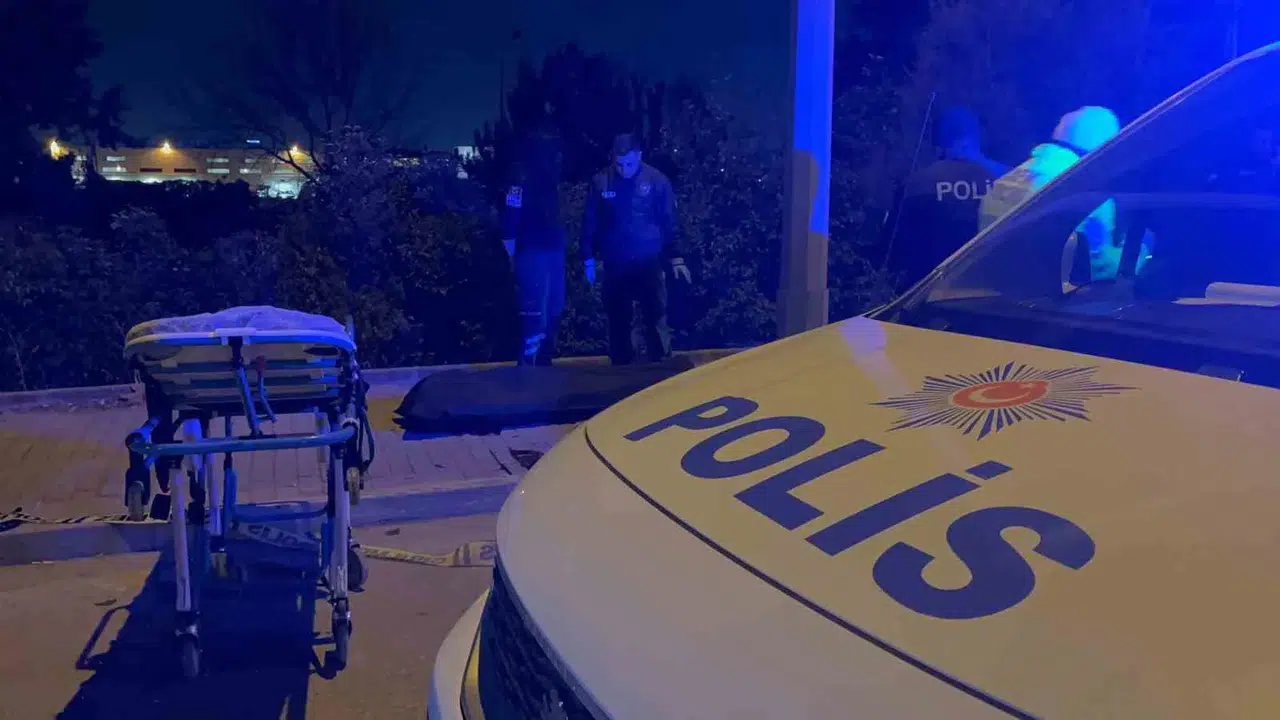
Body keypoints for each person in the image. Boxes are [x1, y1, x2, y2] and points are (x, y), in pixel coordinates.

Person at [979, 105, 1132, 282]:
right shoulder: (1084, 190)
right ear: (1103, 152)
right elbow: (1099, 269)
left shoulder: (1009, 178)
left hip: (995, 288)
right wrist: (1141, 249)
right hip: (1045, 294)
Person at [581, 133, 691, 365]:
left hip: (648, 261)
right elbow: (590, 221)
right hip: (615, 263)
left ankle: (661, 366)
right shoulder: (601, 182)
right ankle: (620, 370)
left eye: (630, 164)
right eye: (620, 164)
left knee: (655, 315)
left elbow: (669, 221)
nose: (625, 170)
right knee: (618, 319)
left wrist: (676, 258)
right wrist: (588, 258)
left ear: (639, 156)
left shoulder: (657, 181)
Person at [883, 106, 1009, 290]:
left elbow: (895, 247)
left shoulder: (918, 183)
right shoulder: (1009, 178)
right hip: (994, 291)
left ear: (939, 141)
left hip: (932, 293)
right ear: (978, 136)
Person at [502, 123, 567, 366]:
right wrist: (512, 253)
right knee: (536, 313)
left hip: (550, 251)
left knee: (552, 309)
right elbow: (510, 218)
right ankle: (529, 367)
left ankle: (543, 360)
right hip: (533, 253)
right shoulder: (521, 179)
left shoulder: (547, 179)